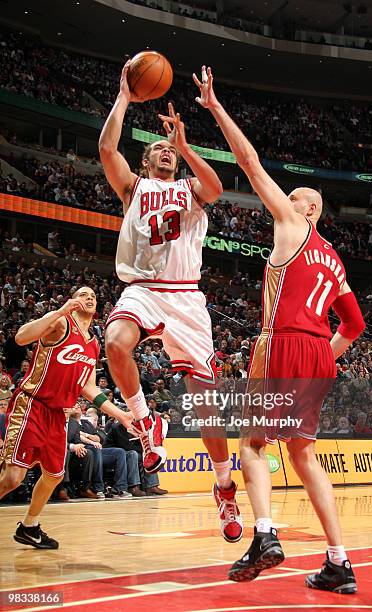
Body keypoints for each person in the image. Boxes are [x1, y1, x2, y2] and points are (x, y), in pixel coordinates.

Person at [193, 66, 365, 591]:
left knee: (251, 445)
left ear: (309, 210)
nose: (281, 202)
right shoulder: (335, 260)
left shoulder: (293, 226)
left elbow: (249, 163)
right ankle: (339, 561)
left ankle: (264, 533)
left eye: (292, 198)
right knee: (304, 452)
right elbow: (354, 325)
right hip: (317, 354)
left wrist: (216, 109)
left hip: (282, 344)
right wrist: (326, 355)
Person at [98, 59, 243, 542]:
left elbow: (218, 188)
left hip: (185, 299)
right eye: (158, 148)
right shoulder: (133, 189)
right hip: (143, 288)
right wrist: (124, 95)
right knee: (115, 341)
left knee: (207, 408)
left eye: (170, 151)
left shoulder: (190, 190)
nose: (164, 153)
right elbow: (105, 147)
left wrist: (186, 144)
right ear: (145, 161)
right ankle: (145, 422)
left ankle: (223, 487)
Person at [0, 287, 134, 549]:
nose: (90, 297)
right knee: (13, 478)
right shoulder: (61, 322)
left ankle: (29, 527)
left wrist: (121, 415)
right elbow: (20, 337)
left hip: (57, 414)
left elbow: (89, 387)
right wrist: (59, 311)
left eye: (94, 296)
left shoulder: (93, 344)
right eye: (83, 294)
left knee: (53, 475)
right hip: (32, 404)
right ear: (72, 300)